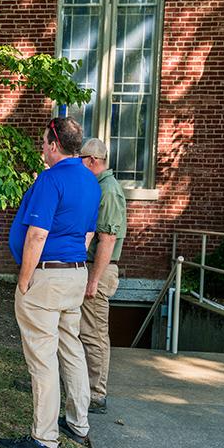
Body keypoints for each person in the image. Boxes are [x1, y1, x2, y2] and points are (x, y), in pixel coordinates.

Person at [0, 117, 101, 448]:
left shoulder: (50, 179)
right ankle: (78, 422)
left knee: (42, 357)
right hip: (75, 273)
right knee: (71, 347)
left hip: (48, 276)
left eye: (43, 142)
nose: (41, 148)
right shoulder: (91, 180)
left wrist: (25, 278)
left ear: (54, 144)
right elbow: (87, 235)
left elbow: (37, 235)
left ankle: (44, 437)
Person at [79, 138, 127, 415]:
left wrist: (93, 279)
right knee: (84, 330)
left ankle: (97, 394)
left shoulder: (108, 190)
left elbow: (107, 239)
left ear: (92, 161)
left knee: (94, 334)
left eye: (82, 162)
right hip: (94, 268)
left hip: (100, 269)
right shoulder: (99, 187)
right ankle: (84, 387)